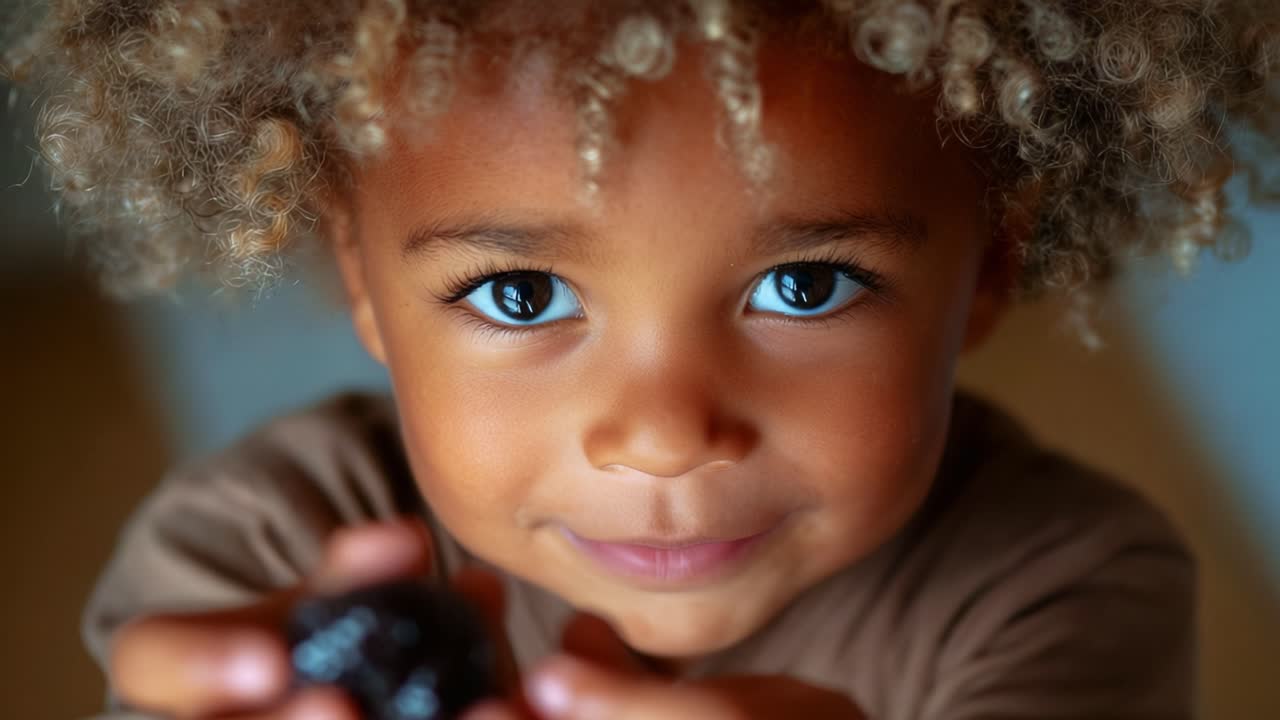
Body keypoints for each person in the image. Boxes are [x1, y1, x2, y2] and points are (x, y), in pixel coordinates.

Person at [7, 1, 1277, 718]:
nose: (666, 433)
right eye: (517, 293)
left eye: (804, 285)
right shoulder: (260, 545)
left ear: (988, 264)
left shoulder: (1064, 593)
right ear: (360, 280)